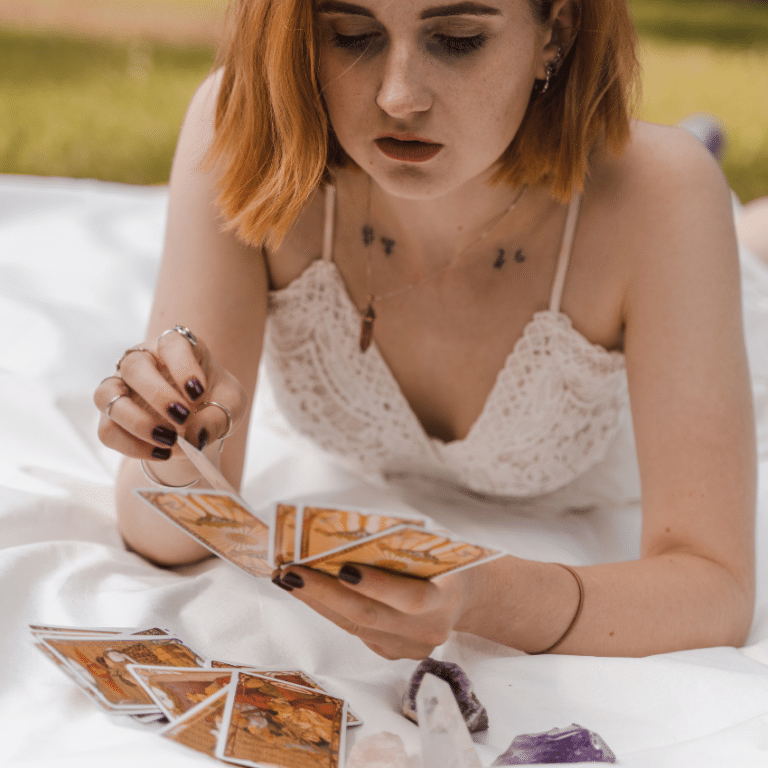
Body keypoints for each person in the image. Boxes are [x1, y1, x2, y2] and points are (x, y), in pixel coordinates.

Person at [93, 0, 758, 660]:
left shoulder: (662, 194)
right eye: (352, 34)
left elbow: (716, 590)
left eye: (459, 39)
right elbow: (165, 535)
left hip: (689, 272)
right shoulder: (242, 130)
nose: (398, 96)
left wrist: (490, 598)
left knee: (747, 248)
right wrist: (171, 449)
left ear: (557, 29)